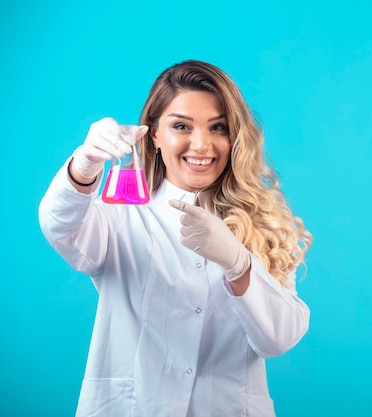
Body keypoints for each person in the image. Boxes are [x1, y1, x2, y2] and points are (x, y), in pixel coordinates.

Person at [38, 60, 312, 417]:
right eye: (181, 125)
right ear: (153, 134)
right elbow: (59, 224)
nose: (201, 145)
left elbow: (279, 338)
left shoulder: (261, 224)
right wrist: (85, 163)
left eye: (218, 128)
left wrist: (239, 263)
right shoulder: (121, 214)